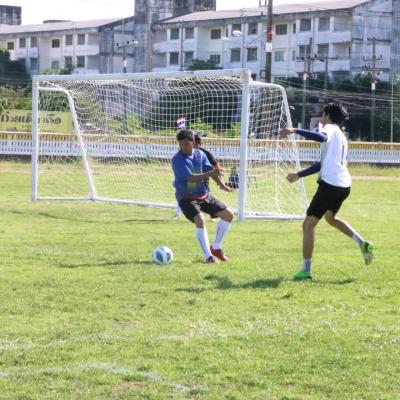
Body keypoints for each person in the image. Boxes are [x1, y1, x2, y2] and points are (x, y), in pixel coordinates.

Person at [279, 103, 374, 280]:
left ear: (328, 116)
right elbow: (322, 163)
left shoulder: (329, 129)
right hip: (344, 185)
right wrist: (299, 174)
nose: (321, 118)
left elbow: (320, 137)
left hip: (330, 185)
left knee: (308, 225)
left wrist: (294, 130)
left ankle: (306, 271)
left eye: (323, 115)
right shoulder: (341, 136)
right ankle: (362, 243)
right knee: (330, 218)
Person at [172, 129, 234, 263]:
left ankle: (216, 247)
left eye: (186, 144)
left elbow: (210, 171)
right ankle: (208, 257)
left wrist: (222, 184)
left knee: (228, 214)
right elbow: (191, 178)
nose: (183, 147)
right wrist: (211, 173)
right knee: (200, 220)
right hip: (186, 197)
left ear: (193, 142)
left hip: (203, 195)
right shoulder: (177, 160)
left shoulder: (200, 154)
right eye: (180, 144)